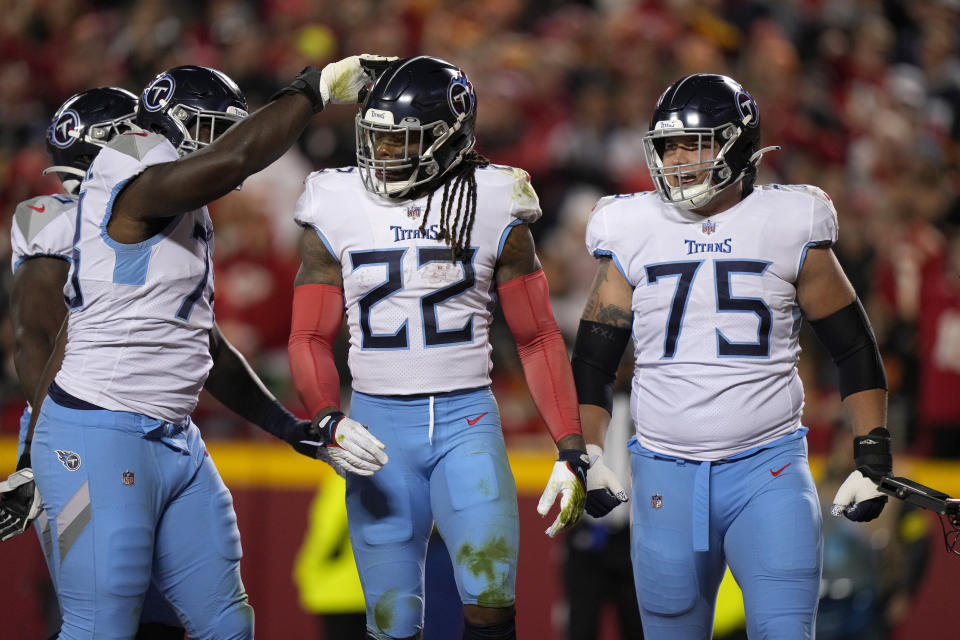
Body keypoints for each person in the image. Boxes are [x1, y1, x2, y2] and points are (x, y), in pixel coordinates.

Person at [0, 56, 392, 638]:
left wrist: (293, 430)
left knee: (227, 624)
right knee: (99, 626)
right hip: (97, 432)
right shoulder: (129, 177)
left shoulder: (185, 210)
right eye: (215, 125)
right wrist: (311, 91)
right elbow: (38, 337)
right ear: (170, 123)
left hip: (174, 437)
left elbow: (202, 344)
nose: (227, 140)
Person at [287, 55, 599, 640]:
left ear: (448, 138)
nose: (381, 154)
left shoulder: (494, 198)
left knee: (490, 602)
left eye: (399, 141)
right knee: (390, 620)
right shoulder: (334, 201)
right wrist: (328, 416)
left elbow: (536, 337)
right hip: (378, 429)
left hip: (467, 422)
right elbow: (307, 335)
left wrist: (570, 443)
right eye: (376, 138)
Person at [569, 73, 891, 639]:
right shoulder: (632, 226)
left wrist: (873, 451)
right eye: (668, 145)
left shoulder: (789, 222)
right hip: (663, 472)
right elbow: (594, 358)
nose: (677, 158)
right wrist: (588, 452)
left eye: (694, 143)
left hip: (767, 470)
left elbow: (854, 346)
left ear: (737, 145)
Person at [2, 86, 186, 639]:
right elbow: (34, 340)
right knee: (98, 608)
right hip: (76, 426)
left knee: (163, 610)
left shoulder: (171, 220)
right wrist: (45, 446)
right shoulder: (50, 220)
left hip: (149, 424)